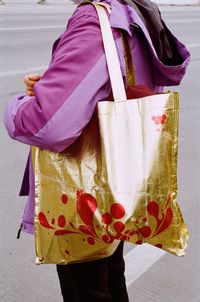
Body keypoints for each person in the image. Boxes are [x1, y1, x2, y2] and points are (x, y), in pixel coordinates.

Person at [4, 0, 190, 301]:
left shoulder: (93, 20)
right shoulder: (135, 9)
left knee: (88, 288)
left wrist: (19, 107)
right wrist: (54, 86)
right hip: (119, 179)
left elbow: (47, 124)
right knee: (111, 277)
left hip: (84, 192)